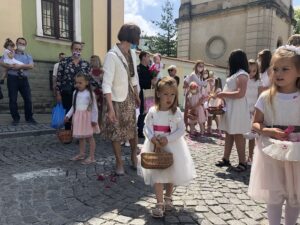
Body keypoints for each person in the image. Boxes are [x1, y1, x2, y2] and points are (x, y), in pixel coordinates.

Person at [248, 45, 300, 225]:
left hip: (297, 154)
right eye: (275, 69)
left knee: (296, 195)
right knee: (274, 194)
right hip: (272, 152)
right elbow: (255, 122)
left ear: (298, 71)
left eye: (285, 69)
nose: (279, 73)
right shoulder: (266, 97)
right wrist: (268, 131)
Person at [137, 77, 196, 218]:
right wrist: (152, 138)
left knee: (171, 173)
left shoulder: (176, 112)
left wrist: (167, 139)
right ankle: (159, 203)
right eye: (165, 94)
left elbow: (181, 130)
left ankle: (168, 198)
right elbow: (146, 127)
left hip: (172, 147)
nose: (169, 98)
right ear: (158, 94)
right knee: (157, 174)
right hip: (154, 145)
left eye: (172, 94)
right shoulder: (152, 111)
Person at [102, 23, 141, 175]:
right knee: (116, 133)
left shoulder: (131, 53)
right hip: (117, 100)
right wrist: (110, 108)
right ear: (131, 35)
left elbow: (134, 76)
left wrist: (137, 94)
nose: (139, 37)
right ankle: (119, 162)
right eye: (138, 34)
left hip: (130, 98)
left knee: (133, 130)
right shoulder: (112, 55)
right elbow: (106, 84)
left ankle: (133, 156)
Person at [215, 49, 251, 172]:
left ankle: (243, 161)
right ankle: (226, 158)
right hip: (231, 107)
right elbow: (228, 91)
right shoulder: (234, 75)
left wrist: (222, 94)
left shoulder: (242, 74)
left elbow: (241, 93)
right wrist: (221, 100)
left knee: (237, 134)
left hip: (237, 108)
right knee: (229, 133)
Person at [56, 41, 98, 130]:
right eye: (76, 49)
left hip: (81, 93)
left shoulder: (85, 64)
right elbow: (59, 79)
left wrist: (98, 87)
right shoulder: (64, 62)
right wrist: (58, 93)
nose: (77, 51)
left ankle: (80, 133)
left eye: (79, 49)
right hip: (66, 93)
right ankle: (68, 133)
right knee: (68, 112)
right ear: (71, 49)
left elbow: (90, 78)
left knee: (79, 113)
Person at [65, 73, 100, 164]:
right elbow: (74, 106)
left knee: (89, 137)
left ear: (86, 83)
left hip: (87, 119)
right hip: (78, 118)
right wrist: (68, 115)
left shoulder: (90, 93)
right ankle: (81, 154)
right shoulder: (75, 93)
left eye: (80, 83)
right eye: (76, 83)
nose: (78, 85)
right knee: (81, 137)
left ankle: (92, 157)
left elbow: (94, 108)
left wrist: (94, 120)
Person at [0, 37, 36, 125]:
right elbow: (1, 61)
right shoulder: (10, 52)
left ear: (25, 45)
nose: (22, 45)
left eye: (23, 44)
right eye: (20, 43)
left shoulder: (28, 56)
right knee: (13, 99)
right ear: (16, 43)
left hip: (24, 80)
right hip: (12, 79)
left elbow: (31, 66)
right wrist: (10, 66)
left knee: (28, 99)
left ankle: (29, 118)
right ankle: (15, 118)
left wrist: (19, 67)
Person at [243, 59, 262, 164]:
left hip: (252, 111)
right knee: (241, 134)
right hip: (242, 110)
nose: (252, 73)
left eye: (254, 71)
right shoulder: (243, 79)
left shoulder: (258, 82)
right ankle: (242, 157)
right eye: (249, 70)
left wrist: (256, 110)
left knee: (251, 136)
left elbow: (259, 97)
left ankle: (250, 156)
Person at [137, 51, 154, 138]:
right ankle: (140, 131)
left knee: (147, 111)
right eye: (148, 56)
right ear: (143, 57)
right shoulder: (139, 68)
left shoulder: (149, 68)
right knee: (142, 111)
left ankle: (145, 129)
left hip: (149, 92)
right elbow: (139, 82)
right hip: (142, 93)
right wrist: (150, 81)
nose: (149, 58)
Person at [89, 55, 104, 128]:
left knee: (100, 110)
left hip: (101, 93)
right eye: (92, 60)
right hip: (93, 92)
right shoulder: (89, 71)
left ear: (98, 61)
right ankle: (94, 125)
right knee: (94, 109)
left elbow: (104, 82)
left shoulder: (102, 70)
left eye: (94, 60)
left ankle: (100, 125)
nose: (93, 62)